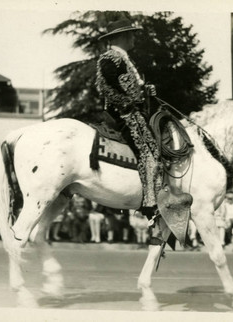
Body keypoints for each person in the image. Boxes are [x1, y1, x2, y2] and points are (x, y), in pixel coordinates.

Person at [96, 17, 161, 217]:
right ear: (123, 36)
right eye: (131, 34)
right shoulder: (110, 58)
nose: (134, 38)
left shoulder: (121, 58)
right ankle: (150, 201)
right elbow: (107, 89)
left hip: (132, 111)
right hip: (124, 114)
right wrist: (131, 103)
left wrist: (145, 92)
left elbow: (130, 87)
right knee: (149, 152)